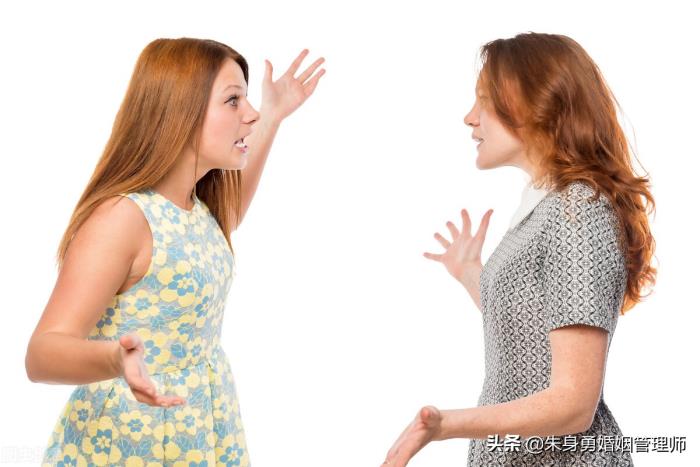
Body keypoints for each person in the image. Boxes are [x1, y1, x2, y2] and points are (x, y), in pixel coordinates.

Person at [25, 37, 325, 466]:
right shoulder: (122, 219)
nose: (251, 113)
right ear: (181, 111)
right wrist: (115, 358)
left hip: (200, 427)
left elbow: (226, 217)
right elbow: (41, 355)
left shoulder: (196, 210)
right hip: (130, 440)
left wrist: (275, 115)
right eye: (233, 100)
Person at [380, 32, 656, 467]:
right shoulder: (548, 205)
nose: (469, 118)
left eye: (484, 101)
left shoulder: (578, 210)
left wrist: (444, 426)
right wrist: (473, 274)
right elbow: (531, 325)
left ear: (533, 103)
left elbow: (574, 403)